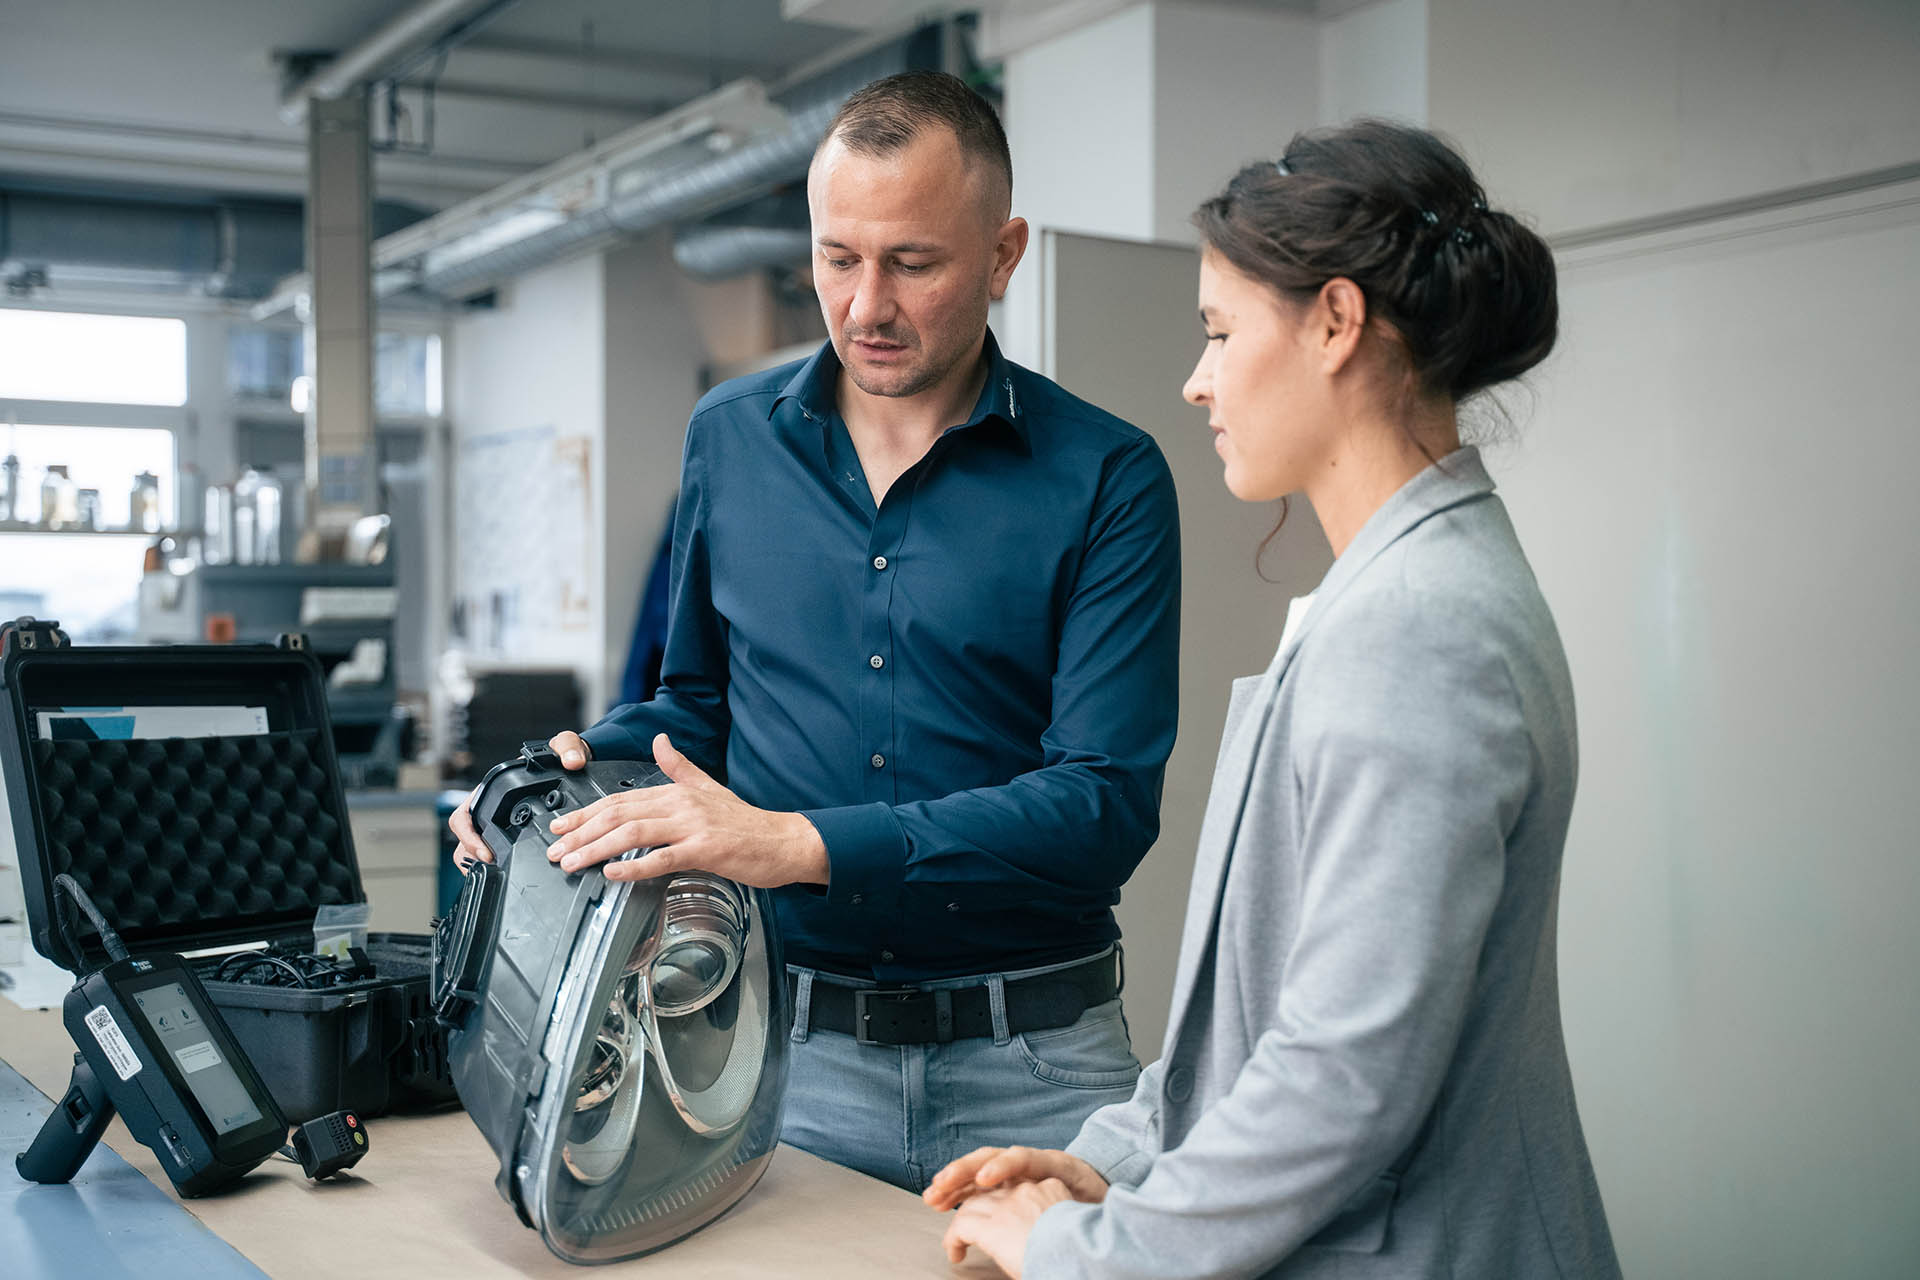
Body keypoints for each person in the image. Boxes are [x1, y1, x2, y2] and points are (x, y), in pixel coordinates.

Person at [447, 71, 1182, 1194]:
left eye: (913, 264)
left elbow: (1103, 805)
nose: (865, 307)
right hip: (780, 1057)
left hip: (1037, 1065)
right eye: (838, 258)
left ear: (1003, 254)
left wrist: (804, 844)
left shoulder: (1107, 475)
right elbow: (696, 708)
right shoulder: (730, 438)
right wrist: (558, 785)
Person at [924, 120, 1622, 1278]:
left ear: (1336, 322)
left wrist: (1092, 1249)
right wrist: (1120, 1161)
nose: (1196, 378)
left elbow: (1343, 1076)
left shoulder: (1417, 625)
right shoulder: (1401, 587)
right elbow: (1266, 1011)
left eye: (1219, 330)